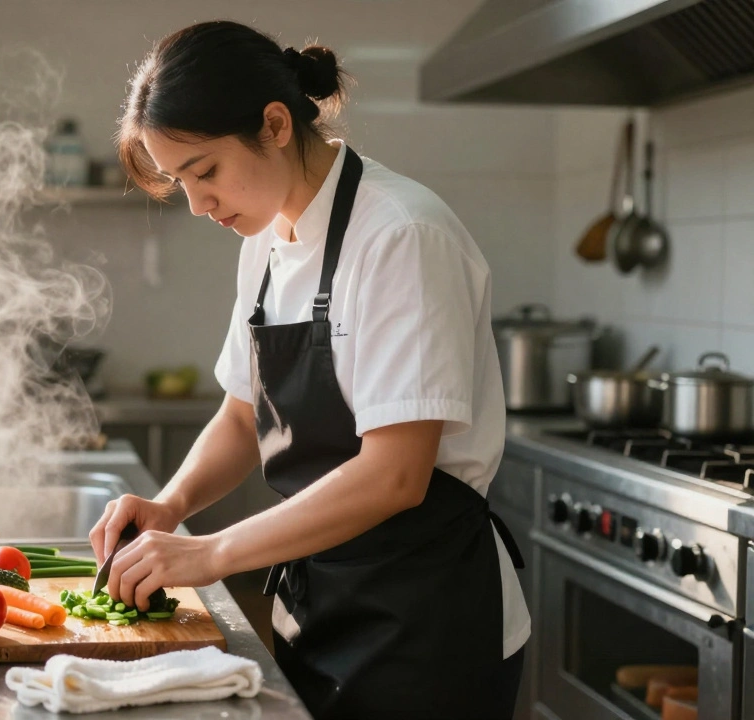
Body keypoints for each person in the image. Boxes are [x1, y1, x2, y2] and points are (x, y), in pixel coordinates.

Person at [90, 20, 529, 720]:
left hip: (427, 628)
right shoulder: (264, 238)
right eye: (181, 182)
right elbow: (241, 413)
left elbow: (395, 475)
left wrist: (211, 553)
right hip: (316, 606)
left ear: (273, 125)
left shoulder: (401, 236)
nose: (199, 205)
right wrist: (170, 506)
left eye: (204, 171)